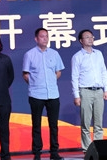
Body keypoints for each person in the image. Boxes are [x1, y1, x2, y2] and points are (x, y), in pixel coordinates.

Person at [22, 28, 65, 160]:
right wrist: (35, 84)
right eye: (42, 36)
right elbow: (25, 74)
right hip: (36, 94)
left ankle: (54, 152)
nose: (45, 39)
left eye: (46, 36)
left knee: (54, 125)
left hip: (53, 94)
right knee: (36, 125)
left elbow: (58, 72)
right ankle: (37, 153)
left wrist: (51, 81)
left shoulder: (54, 53)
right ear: (36, 39)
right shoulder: (29, 54)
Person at [71, 29, 107, 152]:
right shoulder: (77, 57)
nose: (90, 39)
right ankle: (87, 150)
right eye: (87, 37)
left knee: (99, 123)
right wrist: (76, 95)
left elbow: (103, 71)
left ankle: (99, 149)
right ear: (81, 41)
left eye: (91, 37)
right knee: (86, 123)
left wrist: (106, 89)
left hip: (99, 91)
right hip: (85, 91)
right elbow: (74, 77)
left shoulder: (98, 54)